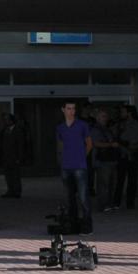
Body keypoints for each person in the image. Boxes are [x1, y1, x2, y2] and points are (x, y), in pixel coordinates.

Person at [56, 99, 93, 235]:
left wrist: (82, 157)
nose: (71, 111)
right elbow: (60, 146)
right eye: (69, 108)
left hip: (79, 166)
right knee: (69, 198)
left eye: (73, 108)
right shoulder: (60, 127)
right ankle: (72, 225)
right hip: (66, 166)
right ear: (63, 110)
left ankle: (87, 226)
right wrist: (60, 161)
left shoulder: (82, 125)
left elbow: (89, 144)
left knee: (83, 197)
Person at [114, 105, 138, 209]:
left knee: (132, 180)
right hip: (122, 155)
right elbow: (114, 138)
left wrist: (135, 147)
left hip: (134, 155)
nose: (121, 113)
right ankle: (116, 202)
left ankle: (130, 203)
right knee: (119, 180)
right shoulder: (119, 125)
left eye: (123, 111)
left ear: (129, 113)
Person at [90, 108, 118, 212]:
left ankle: (109, 203)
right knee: (104, 184)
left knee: (111, 183)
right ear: (97, 118)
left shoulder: (107, 129)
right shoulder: (96, 130)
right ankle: (103, 204)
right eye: (103, 116)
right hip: (102, 161)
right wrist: (111, 144)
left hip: (110, 159)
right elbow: (96, 143)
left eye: (106, 116)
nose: (105, 118)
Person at [0, 113, 25, 198]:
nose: (6, 121)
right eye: (5, 120)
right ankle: (10, 191)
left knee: (15, 175)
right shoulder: (5, 130)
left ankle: (17, 191)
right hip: (6, 157)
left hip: (14, 156)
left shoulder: (18, 130)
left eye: (7, 120)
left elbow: (21, 145)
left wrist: (19, 157)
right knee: (8, 175)